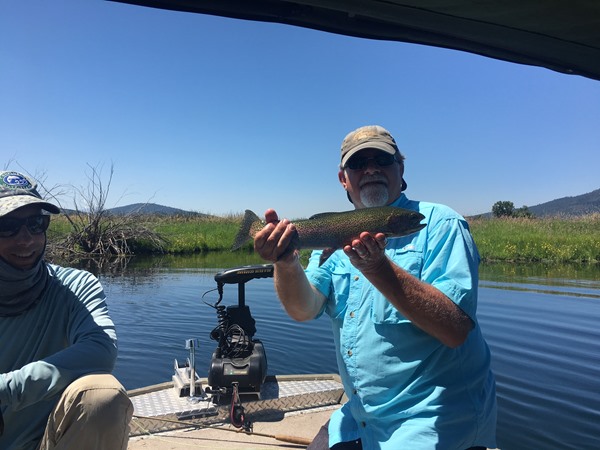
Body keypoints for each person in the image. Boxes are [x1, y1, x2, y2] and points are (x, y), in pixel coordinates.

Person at [253, 125, 497, 450]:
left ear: (400, 168)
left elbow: (455, 330)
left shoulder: (441, 224)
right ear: (344, 179)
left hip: (433, 425)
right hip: (358, 419)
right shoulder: (332, 239)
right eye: (358, 164)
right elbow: (303, 308)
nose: (370, 169)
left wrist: (377, 267)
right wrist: (284, 262)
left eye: (381, 159)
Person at [0, 171, 133, 450]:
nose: (25, 239)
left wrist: (6, 390)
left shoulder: (77, 285)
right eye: (7, 226)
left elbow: (100, 349)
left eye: (36, 223)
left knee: (101, 396)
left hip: (44, 443)